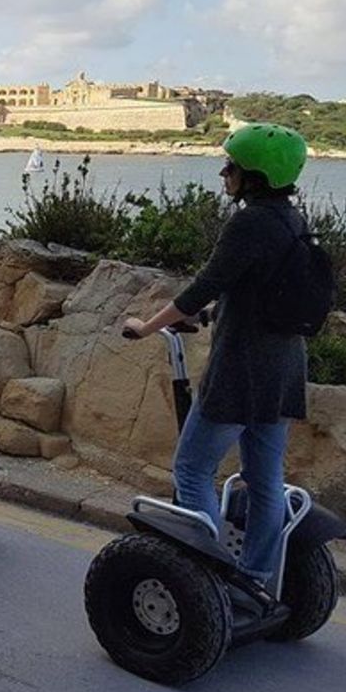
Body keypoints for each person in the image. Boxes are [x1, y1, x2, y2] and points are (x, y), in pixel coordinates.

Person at [122, 123, 309, 593]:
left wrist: (148, 326)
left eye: (233, 167)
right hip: (284, 371)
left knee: (190, 469)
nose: (224, 173)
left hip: (240, 373)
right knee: (264, 481)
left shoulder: (248, 223)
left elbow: (203, 284)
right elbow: (256, 291)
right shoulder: (293, 220)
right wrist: (206, 317)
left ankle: (209, 576)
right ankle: (256, 577)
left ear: (257, 177)